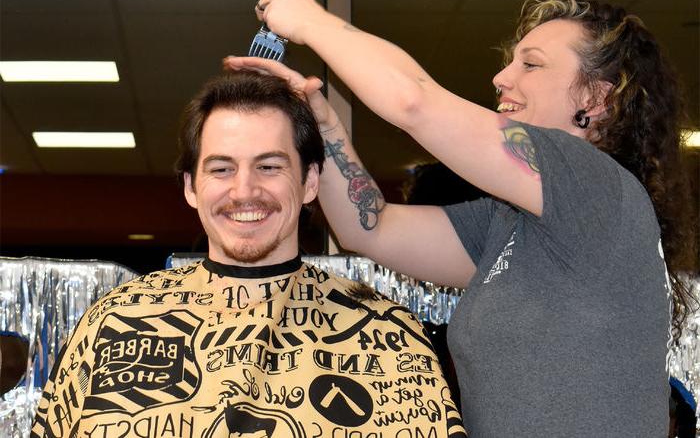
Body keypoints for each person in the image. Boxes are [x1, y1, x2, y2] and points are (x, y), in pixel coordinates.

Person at [223, 0, 697, 436]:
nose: (501, 77)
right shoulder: (510, 224)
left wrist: (309, 20)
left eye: (530, 64)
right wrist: (322, 127)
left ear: (595, 97)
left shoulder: (594, 186)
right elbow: (369, 227)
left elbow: (413, 102)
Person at [30, 72, 466, 437]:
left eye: (269, 166)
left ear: (310, 181)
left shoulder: (388, 337)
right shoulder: (113, 322)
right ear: (190, 187)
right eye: (221, 169)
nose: (244, 191)